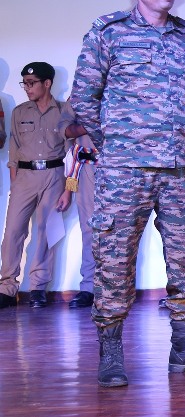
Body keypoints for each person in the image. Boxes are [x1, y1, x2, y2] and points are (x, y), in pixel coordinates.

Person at [70, 0, 185, 387]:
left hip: (179, 167)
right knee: (114, 258)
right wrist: (116, 144)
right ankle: (111, 351)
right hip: (126, 169)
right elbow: (83, 96)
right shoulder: (108, 33)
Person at [0, 62, 72, 309]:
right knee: (12, 232)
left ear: (47, 83)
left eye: (31, 83)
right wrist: (15, 181)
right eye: (25, 83)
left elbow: (71, 154)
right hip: (25, 177)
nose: (27, 88)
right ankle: (7, 288)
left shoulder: (63, 111)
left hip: (54, 175)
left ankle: (38, 288)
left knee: (45, 231)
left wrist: (68, 189)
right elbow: (14, 148)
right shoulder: (20, 112)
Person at [59, 107, 100, 309]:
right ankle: (89, 287)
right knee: (89, 229)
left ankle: (119, 287)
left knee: (124, 229)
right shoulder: (77, 97)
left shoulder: (125, 90)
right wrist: (68, 190)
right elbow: (65, 131)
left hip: (122, 168)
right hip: (87, 168)